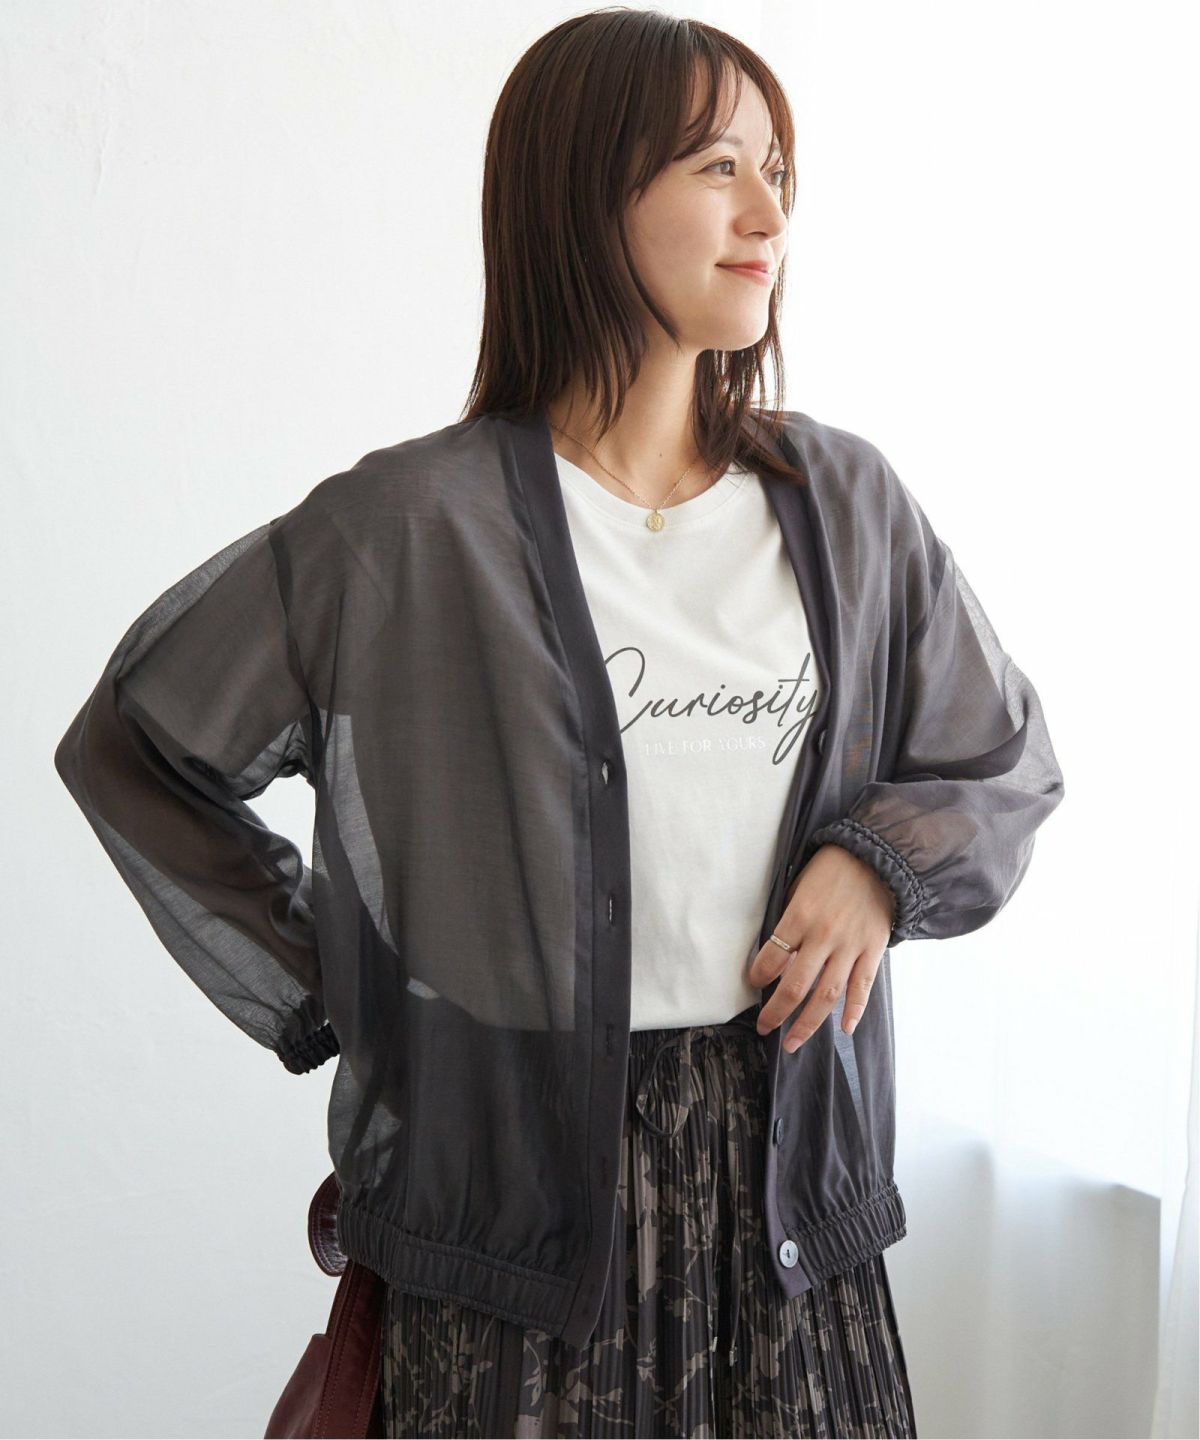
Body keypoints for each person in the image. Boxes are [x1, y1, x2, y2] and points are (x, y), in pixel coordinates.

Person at [55, 8, 1066, 1439]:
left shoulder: (846, 506)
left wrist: (877, 866)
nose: (769, 215)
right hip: (510, 1235)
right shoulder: (407, 532)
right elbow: (137, 747)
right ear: (590, 194)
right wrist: (343, 976)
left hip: (794, 1215)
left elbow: (1001, 759)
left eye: (778, 170)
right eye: (720, 167)